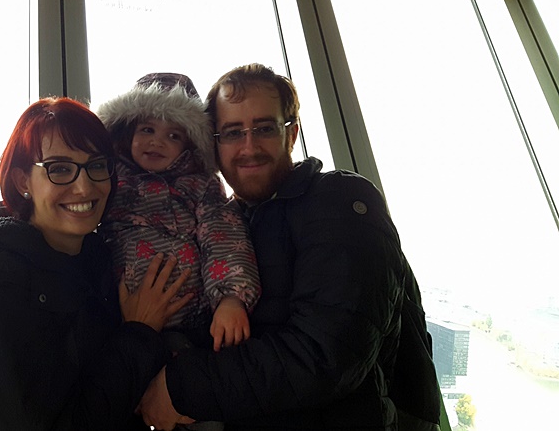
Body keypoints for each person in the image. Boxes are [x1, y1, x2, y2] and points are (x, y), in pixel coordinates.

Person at [137, 63, 441, 430]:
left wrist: (184, 386)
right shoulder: (227, 225)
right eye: (232, 132)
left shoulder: (340, 200)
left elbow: (326, 354)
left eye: (265, 128)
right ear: (214, 144)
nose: (249, 147)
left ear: (292, 133)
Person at [0, 97, 193, 430]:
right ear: (23, 181)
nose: (84, 187)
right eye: (60, 169)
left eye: (96, 165)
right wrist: (140, 332)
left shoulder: (97, 255)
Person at [95, 73, 260, 353]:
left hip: (190, 321)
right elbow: (77, 213)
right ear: (128, 132)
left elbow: (222, 235)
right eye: (147, 129)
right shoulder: (111, 178)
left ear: (189, 145)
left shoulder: (199, 185)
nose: (156, 142)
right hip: (114, 315)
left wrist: (230, 298)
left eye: (173, 135)